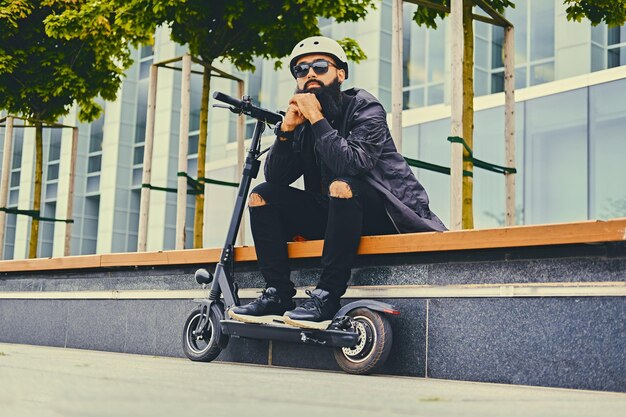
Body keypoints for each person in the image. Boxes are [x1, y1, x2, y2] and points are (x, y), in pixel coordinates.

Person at [228, 36, 446, 329]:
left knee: (342, 185)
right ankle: (277, 293)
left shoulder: (365, 108)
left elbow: (351, 164)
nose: (310, 75)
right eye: (301, 70)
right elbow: (277, 178)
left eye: (320, 66)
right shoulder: (302, 123)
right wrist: (286, 130)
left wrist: (317, 118)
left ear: (341, 73)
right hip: (338, 215)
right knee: (262, 195)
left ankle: (328, 296)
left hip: (384, 213)